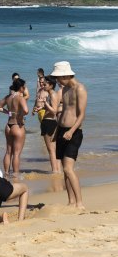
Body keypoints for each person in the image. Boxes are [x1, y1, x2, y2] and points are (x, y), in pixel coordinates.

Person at [50, 61, 87, 209]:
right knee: (65, 170)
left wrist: (71, 132)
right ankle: (71, 202)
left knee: (68, 168)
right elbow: (64, 112)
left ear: (66, 75)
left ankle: (80, 203)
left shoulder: (80, 89)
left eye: (58, 77)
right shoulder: (64, 90)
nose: (57, 81)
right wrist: (56, 132)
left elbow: (82, 115)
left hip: (74, 132)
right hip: (61, 131)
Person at [0, 78, 29, 178]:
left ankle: (6, 173)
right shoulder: (20, 97)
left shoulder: (9, 97)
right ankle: (15, 175)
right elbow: (26, 110)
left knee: (8, 152)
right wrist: (20, 114)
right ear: (21, 87)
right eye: (24, 87)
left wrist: (8, 112)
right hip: (17, 125)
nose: (25, 88)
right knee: (16, 154)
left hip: (8, 126)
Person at [40, 76, 61, 173]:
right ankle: (58, 170)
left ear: (51, 85)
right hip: (51, 122)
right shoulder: (53, 94)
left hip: (49, 122)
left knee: (51, 150)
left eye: (45, 84)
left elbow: (54, 111)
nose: (43, 85)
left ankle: (54, 171)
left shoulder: (52, 95)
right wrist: (42, 108)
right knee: (54, 149)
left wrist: (45, 104)